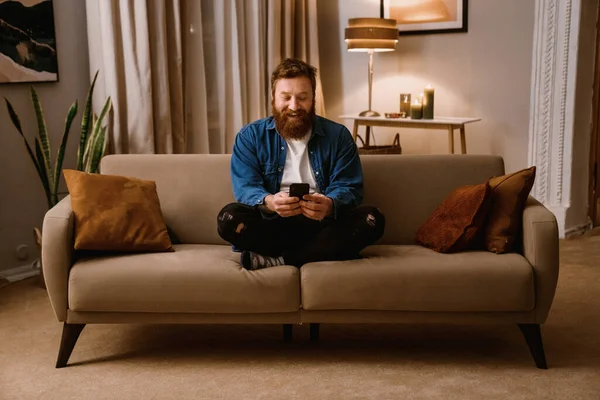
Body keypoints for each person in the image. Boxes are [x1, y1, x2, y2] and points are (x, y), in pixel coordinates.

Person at [217, 58, 385, 271]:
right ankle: (321, 252)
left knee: (372, 219)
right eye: (285, 97)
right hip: (272, 224)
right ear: (273, 97)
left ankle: (280, 260)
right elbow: (245, 188)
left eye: (302, 97)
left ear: (313, 98)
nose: (294, 106)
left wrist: (329, 204)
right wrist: (269, 201)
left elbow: (350, 186)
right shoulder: (250, 136)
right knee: (228, 218)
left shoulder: (339, 136)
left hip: (322, 225)